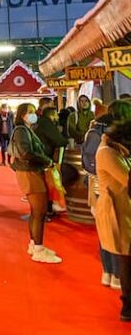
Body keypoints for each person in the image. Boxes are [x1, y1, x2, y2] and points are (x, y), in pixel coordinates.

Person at [87, 100, 131, 289]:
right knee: (116, 237)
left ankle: (110, 273)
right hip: (108, 192)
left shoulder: (97, 133)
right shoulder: (107, 145)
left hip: (101, 188)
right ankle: (115, 275)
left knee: (108, 236)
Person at [10, 102, 62, 264]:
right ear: (23, 114)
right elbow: (26, 152)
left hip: (31, 171)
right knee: (40, 211)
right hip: (29, 172)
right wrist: (46, 160)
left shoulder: (26, 130)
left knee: (36, 211)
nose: (34, 115)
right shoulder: (21, 130)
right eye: (30, 112)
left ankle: (34, 244)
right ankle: (38, 248)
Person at [94, 120, 131, 321]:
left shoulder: (114, 149)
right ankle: (128, 305)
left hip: (123, 206)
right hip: (116, 209)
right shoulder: (106, 152)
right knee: (126, 255)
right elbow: (127, 179)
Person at [35, 106, 69, 215]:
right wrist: (66, 141)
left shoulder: (41, 122)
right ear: (51, 114)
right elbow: (58, 140)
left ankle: (47, 208)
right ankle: (47, 209)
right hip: (44, 156)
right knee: (48, 183)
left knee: (46, 183)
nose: (57, 116)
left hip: (40, 155)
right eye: (55, 114)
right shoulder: (47, 124)